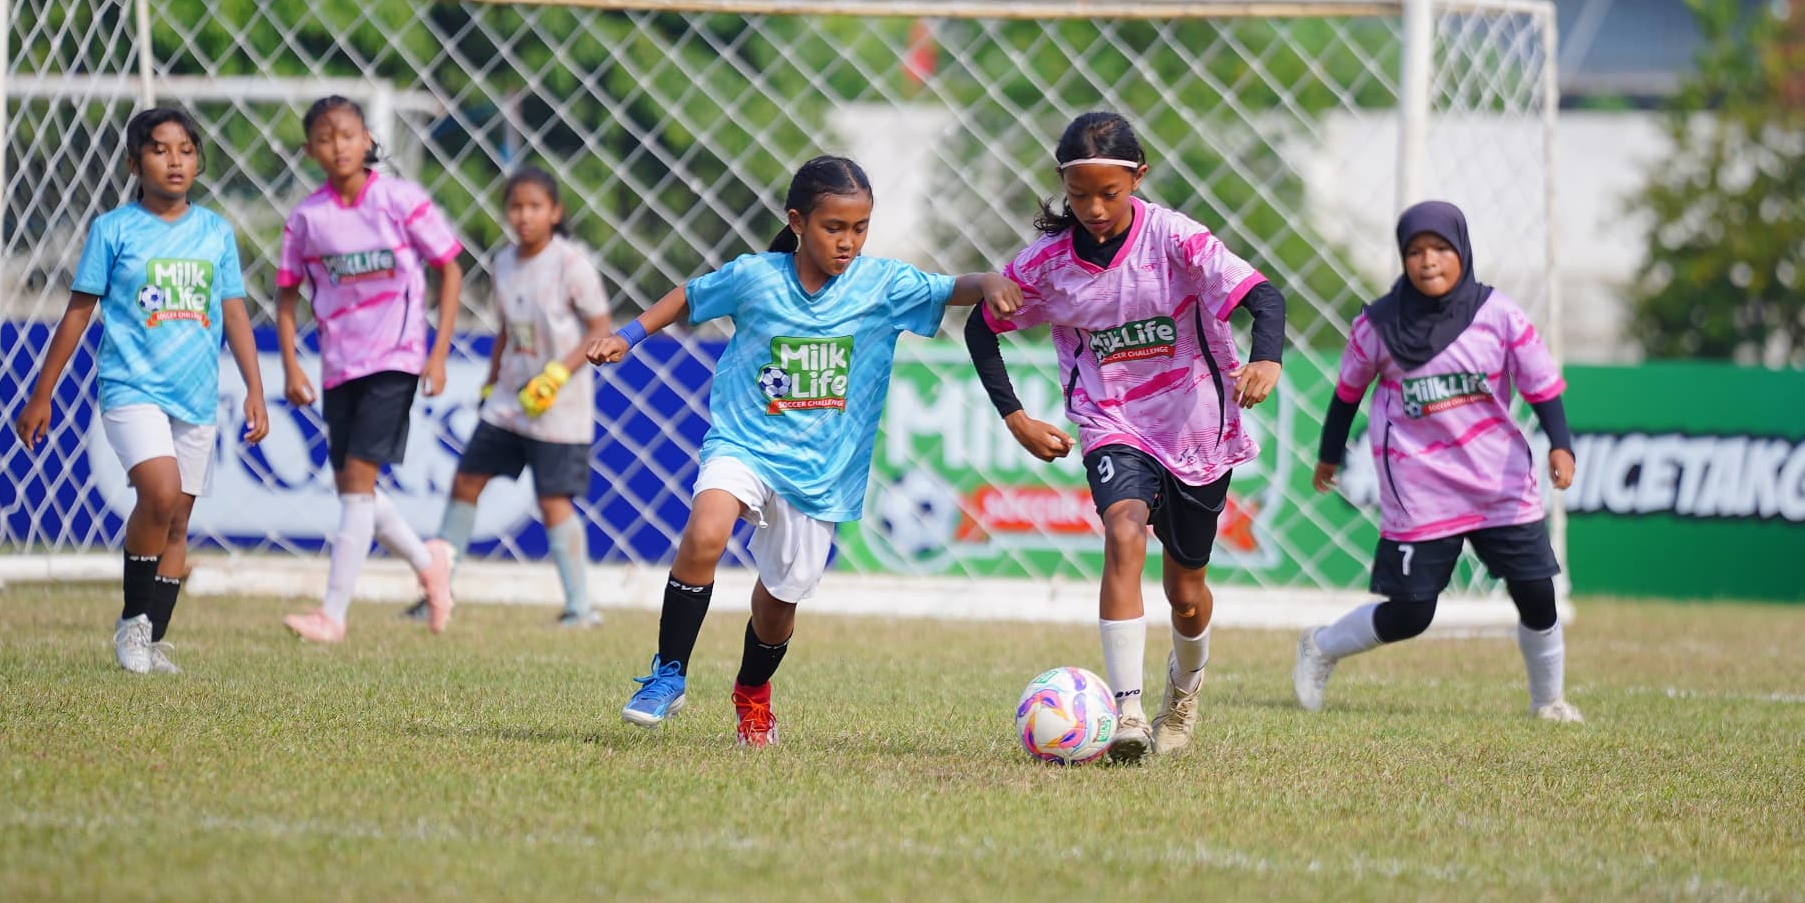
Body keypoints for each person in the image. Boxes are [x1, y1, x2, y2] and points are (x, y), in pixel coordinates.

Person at [588, 156, 1018, 746]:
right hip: (744, 442)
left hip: (821, 474)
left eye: (860, 228)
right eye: (833, 228)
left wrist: (989, 283)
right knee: (706, 530)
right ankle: (668, 674)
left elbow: (952, 289)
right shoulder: (756, 277)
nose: (848, 242)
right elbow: (689, 297)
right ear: (797, 222)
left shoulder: (882, 286)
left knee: (778, 606)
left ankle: (752, 694)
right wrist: (628, 336)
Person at [964, 111, 1288, 762]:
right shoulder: (1048, 265)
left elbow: (1266, 297)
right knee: (1121, 531)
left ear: (1138, 178)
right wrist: (1016, 418)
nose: (1093, 208)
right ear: (1063, 184)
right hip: (1111, 423)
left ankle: (1183, 690)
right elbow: (981, 326)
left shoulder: (1176, 239)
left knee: (1186, 594)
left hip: (1197, 428)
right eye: (1079, 194)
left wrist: (1266, 357)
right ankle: (1127, 712)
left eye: (1108, 193)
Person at [1288, 201, 1579, 721]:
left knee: (1537, 595)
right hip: (1420, 488)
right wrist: (1329, 456)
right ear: (1403, 258)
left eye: (1441, 249)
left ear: (1462, 251)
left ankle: (1548, 703)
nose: (1428, 261)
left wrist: (1560, 443)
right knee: (1412, 614)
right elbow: (1347, 395)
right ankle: (1321, 646)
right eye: (1416, 251)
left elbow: (1541, 385)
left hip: (1500, 484)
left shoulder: (1501, 316)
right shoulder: (1377, 325)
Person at [14, 108, 270, 674]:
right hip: (131, 388)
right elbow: (79, 313)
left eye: (185, 149)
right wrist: (42, 393)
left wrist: (255, 387)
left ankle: (152, 640)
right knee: (159, 492)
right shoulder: (114, 230)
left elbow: (234, 313)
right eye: (159, 149)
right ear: (135, 163)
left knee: (178, 519)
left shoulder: (215, 232)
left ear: (198, 161)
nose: (174, 160)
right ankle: (131, 625)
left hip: (197, 395)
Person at [273, 95, 465, 644]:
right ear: (310, 150)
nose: (338, 147)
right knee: (352, 487)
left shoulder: (400, 200)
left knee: (357, 484)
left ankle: (333, 614)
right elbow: (287, 295)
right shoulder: (307, 218)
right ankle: (428, 561)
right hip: (338, 363)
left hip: (396, 358)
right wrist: (291, 366)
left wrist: (438, 351)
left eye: (348, 135)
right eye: (326, 138)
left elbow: (449, 268)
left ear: (367, 141)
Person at [412, 167, 613, 628]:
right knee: (466, 481)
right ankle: (437, 590)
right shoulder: (503, 262)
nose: (524, 216)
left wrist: (560, 372)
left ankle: (580, 608)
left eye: (535, 206)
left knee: (553, 501)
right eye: (516, 207)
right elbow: (506, 329)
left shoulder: (571, 264)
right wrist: (490, 380)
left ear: (555, 212)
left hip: (559, 404)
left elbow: (600, 327)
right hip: (509, 399)